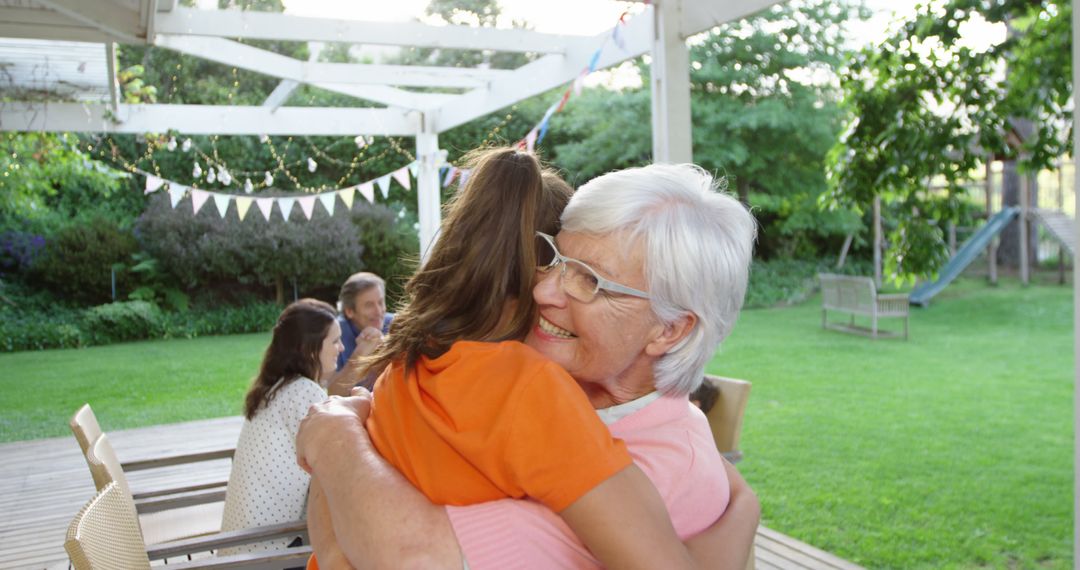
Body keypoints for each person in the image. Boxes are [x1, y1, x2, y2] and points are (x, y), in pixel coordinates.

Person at [298, 162, 761, 569]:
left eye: (589, 280)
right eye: (553, 259)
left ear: (669, 330)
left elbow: (408, 554)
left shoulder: (660, 471)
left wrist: (337, 440)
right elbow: (347, 491)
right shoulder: (524, 379)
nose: (543, 291)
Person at [218, 299, 343, 554]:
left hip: (243, 545)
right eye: (334, 341)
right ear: (309, 350)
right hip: (269, 550)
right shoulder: (303, 392)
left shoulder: (277, 388)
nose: (341, 347)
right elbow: (338, 461)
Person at [325, 272, 391, 395]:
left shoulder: (396, 324)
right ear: (350, 311)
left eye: (381, 302)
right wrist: (359, 355)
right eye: (369, 305)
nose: (378, 311)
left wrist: (386, 348)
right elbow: (332, 393)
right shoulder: (335, 333)